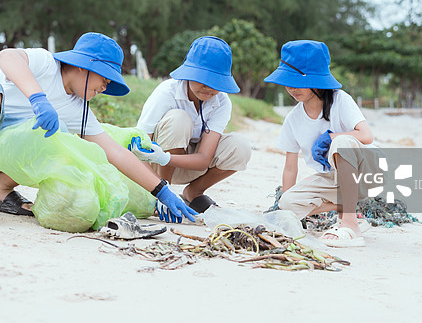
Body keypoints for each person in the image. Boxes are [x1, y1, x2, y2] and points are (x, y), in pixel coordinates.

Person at [0, 32, 197, 224]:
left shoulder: (78, 109)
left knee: (64, 136)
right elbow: (6, 56)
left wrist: (161, 190)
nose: (105, 87)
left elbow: (115, 153)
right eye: (105, 78)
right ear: (84, 67)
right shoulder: (46, 64)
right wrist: (38, 98)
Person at [264, 39, 378, 248]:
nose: (291, 88)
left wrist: (331, 137)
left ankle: (350, 225)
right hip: (334, 179)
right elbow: (290, 168)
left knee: (342, 143)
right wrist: (285, 215)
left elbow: (366, 135)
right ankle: (350, 211)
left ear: (317, 80)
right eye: (288, 81)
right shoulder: (293, 119)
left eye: (298, 82)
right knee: (288, 203)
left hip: (369, 171)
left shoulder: (340, 100)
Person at [131, 36, 252, 214]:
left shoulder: (222, 102)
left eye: (216, 82)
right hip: (155, 164)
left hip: (188, 164)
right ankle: (163, 192)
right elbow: (137, 148)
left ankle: (194, 192)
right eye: (202, 79)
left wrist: (166, 158)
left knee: (240, 147)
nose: (209, 88)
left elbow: (203, 159)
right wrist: (154, 186)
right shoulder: (167, 92)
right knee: (180, 119)